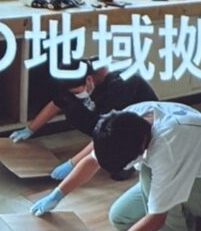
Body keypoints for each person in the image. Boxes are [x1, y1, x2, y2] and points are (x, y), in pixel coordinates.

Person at [30, 101, 201, 231]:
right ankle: (194, 220)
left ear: (140, 148)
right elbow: (92, 161)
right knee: (120, 218)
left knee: (149, 173)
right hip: (193, 176)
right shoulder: (128, 121)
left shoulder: (167, 149)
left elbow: (157, 218)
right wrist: (56, 195)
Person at [10, 62, 160, 180]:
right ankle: (103, 150)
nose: (76, 94)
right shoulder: (81, 72)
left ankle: (128, 161)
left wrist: (72, 164)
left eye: (77, 91)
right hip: (112, 117)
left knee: (115, 165)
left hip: (140, 128)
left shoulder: (119, 86)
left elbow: (108, 129)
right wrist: (30, 129)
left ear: (89, 80)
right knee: (73, 110)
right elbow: (57, 103)